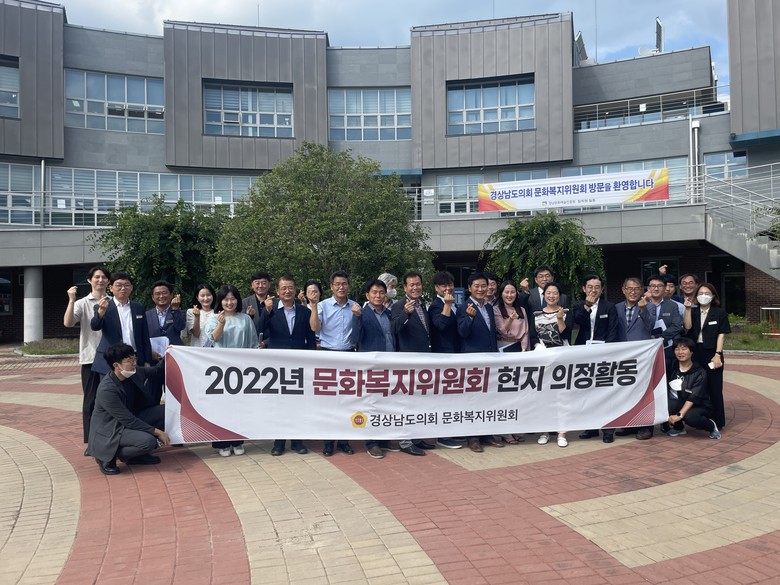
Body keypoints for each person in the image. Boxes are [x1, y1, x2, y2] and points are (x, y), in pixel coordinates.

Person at [86, 342, 170, 475]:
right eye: (129, 361)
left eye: (134, 359)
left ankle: (136, 456)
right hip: (112, 428)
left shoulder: (133, 372)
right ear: (116, 365)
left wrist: (169, 354)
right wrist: (157, 432)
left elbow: (156, 371)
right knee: (148, 441)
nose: (134, 363)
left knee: (166, 412)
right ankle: (107, 455)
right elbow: (127, 420)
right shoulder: (107, 389)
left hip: (131, 418)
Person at [263, 275, 316, 456]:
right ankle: (279, 442)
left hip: (299, 364)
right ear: (277, 291)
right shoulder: (270, 310)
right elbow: (259, 329)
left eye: (291, 287)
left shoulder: (304, 312)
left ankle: (297, 441)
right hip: (277, 366)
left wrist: (310, 360)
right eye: (284, 288)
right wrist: (266, 312)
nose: (287, 291)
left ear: (295, 290)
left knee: (298, 404)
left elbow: (310, 338)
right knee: (280, 404)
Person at [205, 284, 257, 456]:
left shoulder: (245, 319)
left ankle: (238, 441)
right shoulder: (214, 318)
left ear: (237, 300)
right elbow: (214, 338)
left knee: (238, 406)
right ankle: (222, 443)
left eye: (232, 299)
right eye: (226, 299)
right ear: (220, 301)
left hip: (241, 368)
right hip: (220, 370)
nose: (229, 302)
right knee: (221, 407)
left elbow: (252, 343)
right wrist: (221, 323)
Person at [310, 271, 357, 457]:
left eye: (344, 283)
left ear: (348, 286)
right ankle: (328, 442)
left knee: (346, 402)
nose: (341, 287)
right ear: (331, 287)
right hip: (328, 355)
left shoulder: (355, 306)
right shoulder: (322, 305)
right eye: (337, 284)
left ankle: (344, 441)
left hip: (349, 355)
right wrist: (314, 306)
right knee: (329, 402)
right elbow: (314, 327)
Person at [63, 265, 111, 445]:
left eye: (104, 277)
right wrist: (71, 299)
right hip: (90, 358)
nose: (100, 280)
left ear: (108, 281)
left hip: (112, 359)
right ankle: (92, 441)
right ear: (89, 280)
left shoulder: (114, 302)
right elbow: (68, 323)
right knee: (91, 400)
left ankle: (111, 437)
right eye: (96, 277)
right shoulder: (82, 303)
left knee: (112, 399)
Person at [390, 271, 436, 455]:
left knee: (420, 402)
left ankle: (416, 437)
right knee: (407, 402)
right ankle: (405, 441)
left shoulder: (422, 305)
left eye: (418, 284)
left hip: (424, 360)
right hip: (408, 361)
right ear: (405, 288)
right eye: (412, 285)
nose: (415, 287)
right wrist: (405, 314)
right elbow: (394, 329)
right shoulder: (399, 306)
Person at [456, 272, 503, 452]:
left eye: (484, 286)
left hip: (490, 359)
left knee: (488, 399)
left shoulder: (489, 307)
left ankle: (487, 435)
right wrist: (469, 317)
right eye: (476, 286)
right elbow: (462, 333)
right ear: (469, 288)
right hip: (472, 360)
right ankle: (473, 438)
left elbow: (491, 334)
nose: (481, 289)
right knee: (473, 400)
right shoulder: (463, 307)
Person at [351, 280, 396, 458]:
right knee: (371, 404)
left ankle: (384, 439)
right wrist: (356, 318)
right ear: (367, 295)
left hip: (390, 364)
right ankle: (372, 442)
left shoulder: (389, 313)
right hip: (372, 366)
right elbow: (354, 338)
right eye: (374, 292)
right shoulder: (361, 313)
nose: (378, 295)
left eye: (381, 292)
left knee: (387, 403)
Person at [573, 275, 620, 443]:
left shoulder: (609, 307)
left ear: (602, 289)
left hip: (603, 355)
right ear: (584, 288)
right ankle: (591, 427)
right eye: (590, 287)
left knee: (605, 392)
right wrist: (587, 306)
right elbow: (577, 322)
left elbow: (613, 331)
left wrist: (607, 352)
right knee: (587, 391)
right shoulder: (578, 306)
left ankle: (608, 430)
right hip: (584, 354)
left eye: (597, 287)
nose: (593, 290)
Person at [684, 282, 731, 429]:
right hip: (695, 353)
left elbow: (721, 334)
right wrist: (687, 309)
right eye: (700, 293)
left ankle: (718, 421)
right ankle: (698, 418)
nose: (703, 296)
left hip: (712, 353)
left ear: (713, 296)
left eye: (707, 293)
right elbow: (687, 327)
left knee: (714, 387)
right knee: (696, 387)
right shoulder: (693, 311)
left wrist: (718, 354)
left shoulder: (719, 312)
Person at [533, 281, 573, 448]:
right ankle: (545, 431)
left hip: (562, 359)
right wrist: (539, 348)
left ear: (559, 296)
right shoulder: (536, 314)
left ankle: (561, 432)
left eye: (555, 293)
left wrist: (559, 319)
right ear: (544, 295)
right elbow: (533, 336)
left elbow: (567, 335)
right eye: (548, 293)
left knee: (562, 396)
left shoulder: (566, 312)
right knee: (544, 396)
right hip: (543, 360)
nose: (551, 296)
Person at [91, 272, 154, 377]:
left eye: (126, 285)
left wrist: (147, 360)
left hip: (134, 358)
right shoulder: (103, 307)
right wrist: (101, 312)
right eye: (119, 285)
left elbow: (145, 336)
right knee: (111, 387)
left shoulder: (138, 308)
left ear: (131, 288)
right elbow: (95, 326)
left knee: (135, 387)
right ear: (111, 288)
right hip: (111, 358)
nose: (123, 288)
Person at [427, 271, 464, 449]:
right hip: (443, 357)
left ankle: (453, 431)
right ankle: (442, 436)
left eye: (450, 284)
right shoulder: (435, 306)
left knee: (454, 396)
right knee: (443, 397)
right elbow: (441, 326)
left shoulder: (456, 304)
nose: (448, 288)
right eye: (444, 285)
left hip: (456, 356)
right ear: (436, 288)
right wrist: (447, 305)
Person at [666, 337, 721, 439]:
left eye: (684, 349)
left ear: (691, 352)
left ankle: (711, 426)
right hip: (679, 401)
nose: (680, 352)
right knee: (667, 405)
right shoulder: (671, 366)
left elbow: (693, 397)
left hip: (698, 404)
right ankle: (679, 427)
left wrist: (680, 415)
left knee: (691, 417)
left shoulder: (700, 372)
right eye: (677, 349)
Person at [146, 280, 185, 350]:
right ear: (153, 297)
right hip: (153, 353)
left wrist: (175, 309)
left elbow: (180, 327)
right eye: (157, 294)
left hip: (174, 352)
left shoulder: (179, 312)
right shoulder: (146, 315)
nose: (161, 296)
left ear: (171, 295)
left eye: (164, 293)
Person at [242, 271, 272, 335]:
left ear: (269, 285)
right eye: (257, 283)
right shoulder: (245, 303)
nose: (260, 286)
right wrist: (249, 316)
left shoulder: (276, 303)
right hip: (251, 339)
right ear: (252, 285)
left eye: (264, 283)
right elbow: (241, 325)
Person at [186, 283, 216, 347]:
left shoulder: (218, 313)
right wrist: (197, 317)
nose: (206, 298)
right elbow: (196, 333)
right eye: (202, 296)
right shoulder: (191, 312)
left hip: (215, 350)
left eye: (208, 295)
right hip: (197, 350)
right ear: (197, 297)